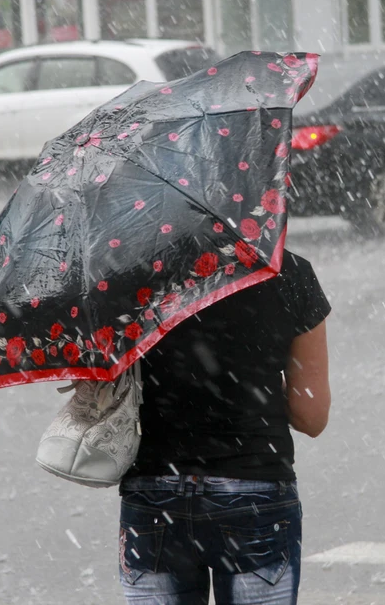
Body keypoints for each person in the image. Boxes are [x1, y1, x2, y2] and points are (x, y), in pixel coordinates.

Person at [118, 248, 332, 604]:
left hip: (154, 495)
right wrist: (258, 374)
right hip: (254, 492)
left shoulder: (134, 275)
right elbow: (311, 417)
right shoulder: (286, 272)